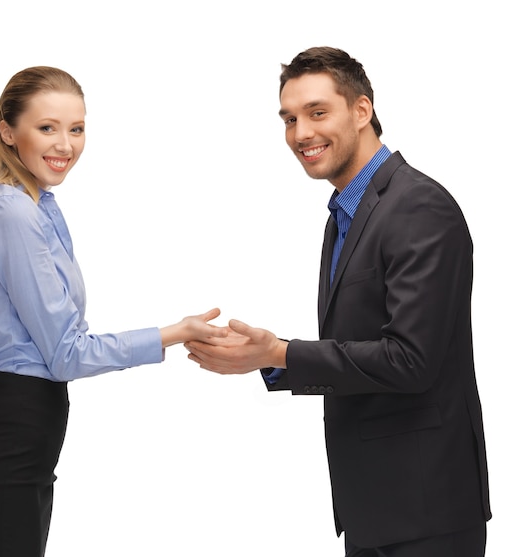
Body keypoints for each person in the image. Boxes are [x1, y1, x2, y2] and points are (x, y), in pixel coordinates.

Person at [185, 47, 491, 556]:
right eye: (289, 119)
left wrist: (279, 353)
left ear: (362, 111)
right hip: (375, 508)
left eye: (317, 112)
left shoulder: (418, 206)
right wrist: (271, 357)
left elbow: (410, 361)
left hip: (426, 514)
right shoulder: (343, 216)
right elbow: (358, 349)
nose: (300, 133)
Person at [0, 66, 225, 557]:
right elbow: (64, 354)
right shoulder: (9, 212)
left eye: (76, 129)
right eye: (47, 127)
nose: (66, 145)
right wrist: (172, 332)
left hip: (28, 433)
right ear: (8, 132)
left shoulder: (37, 208)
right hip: (8, 434)